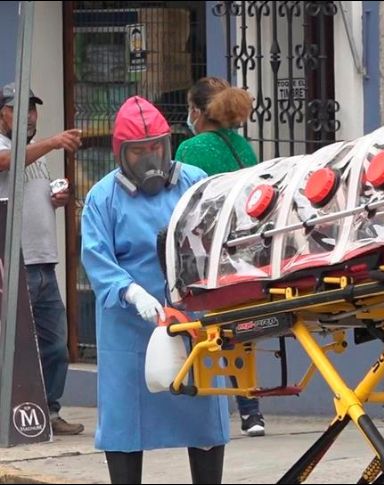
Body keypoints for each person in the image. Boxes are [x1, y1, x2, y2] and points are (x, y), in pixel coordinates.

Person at [80, 96, 229, 484]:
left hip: (190, 318)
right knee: (124, 421)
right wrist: (132, 293)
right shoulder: (102, 198)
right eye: (138, 151)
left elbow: (218, 238)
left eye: (156, 148)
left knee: (203, 412)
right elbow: (96, 257)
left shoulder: (195, 182)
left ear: (167, 144)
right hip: (128, 326)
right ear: (120, 153)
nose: (150, 159)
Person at [176, 76, 265, 438]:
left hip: (207, 250)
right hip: (245, 246)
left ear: (197, 111)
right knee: (239, 328)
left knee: (203, 327)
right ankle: (251, 410)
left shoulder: (190, 149)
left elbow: (182, 202)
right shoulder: (243, 147)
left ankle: (201, 402)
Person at [0, 82, 85, 436]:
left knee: (54, 345)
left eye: (32, 109)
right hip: (13, 263)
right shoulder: (8, 147)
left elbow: (36, 195)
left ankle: (48, 411)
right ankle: (10, 414)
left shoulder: (36, 154)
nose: (29, 116)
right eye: (19, 109)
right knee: (12, 344)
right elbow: (5, 162)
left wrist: (57, 199)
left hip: (44, 262)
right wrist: (52, 142)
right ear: (2, 114)